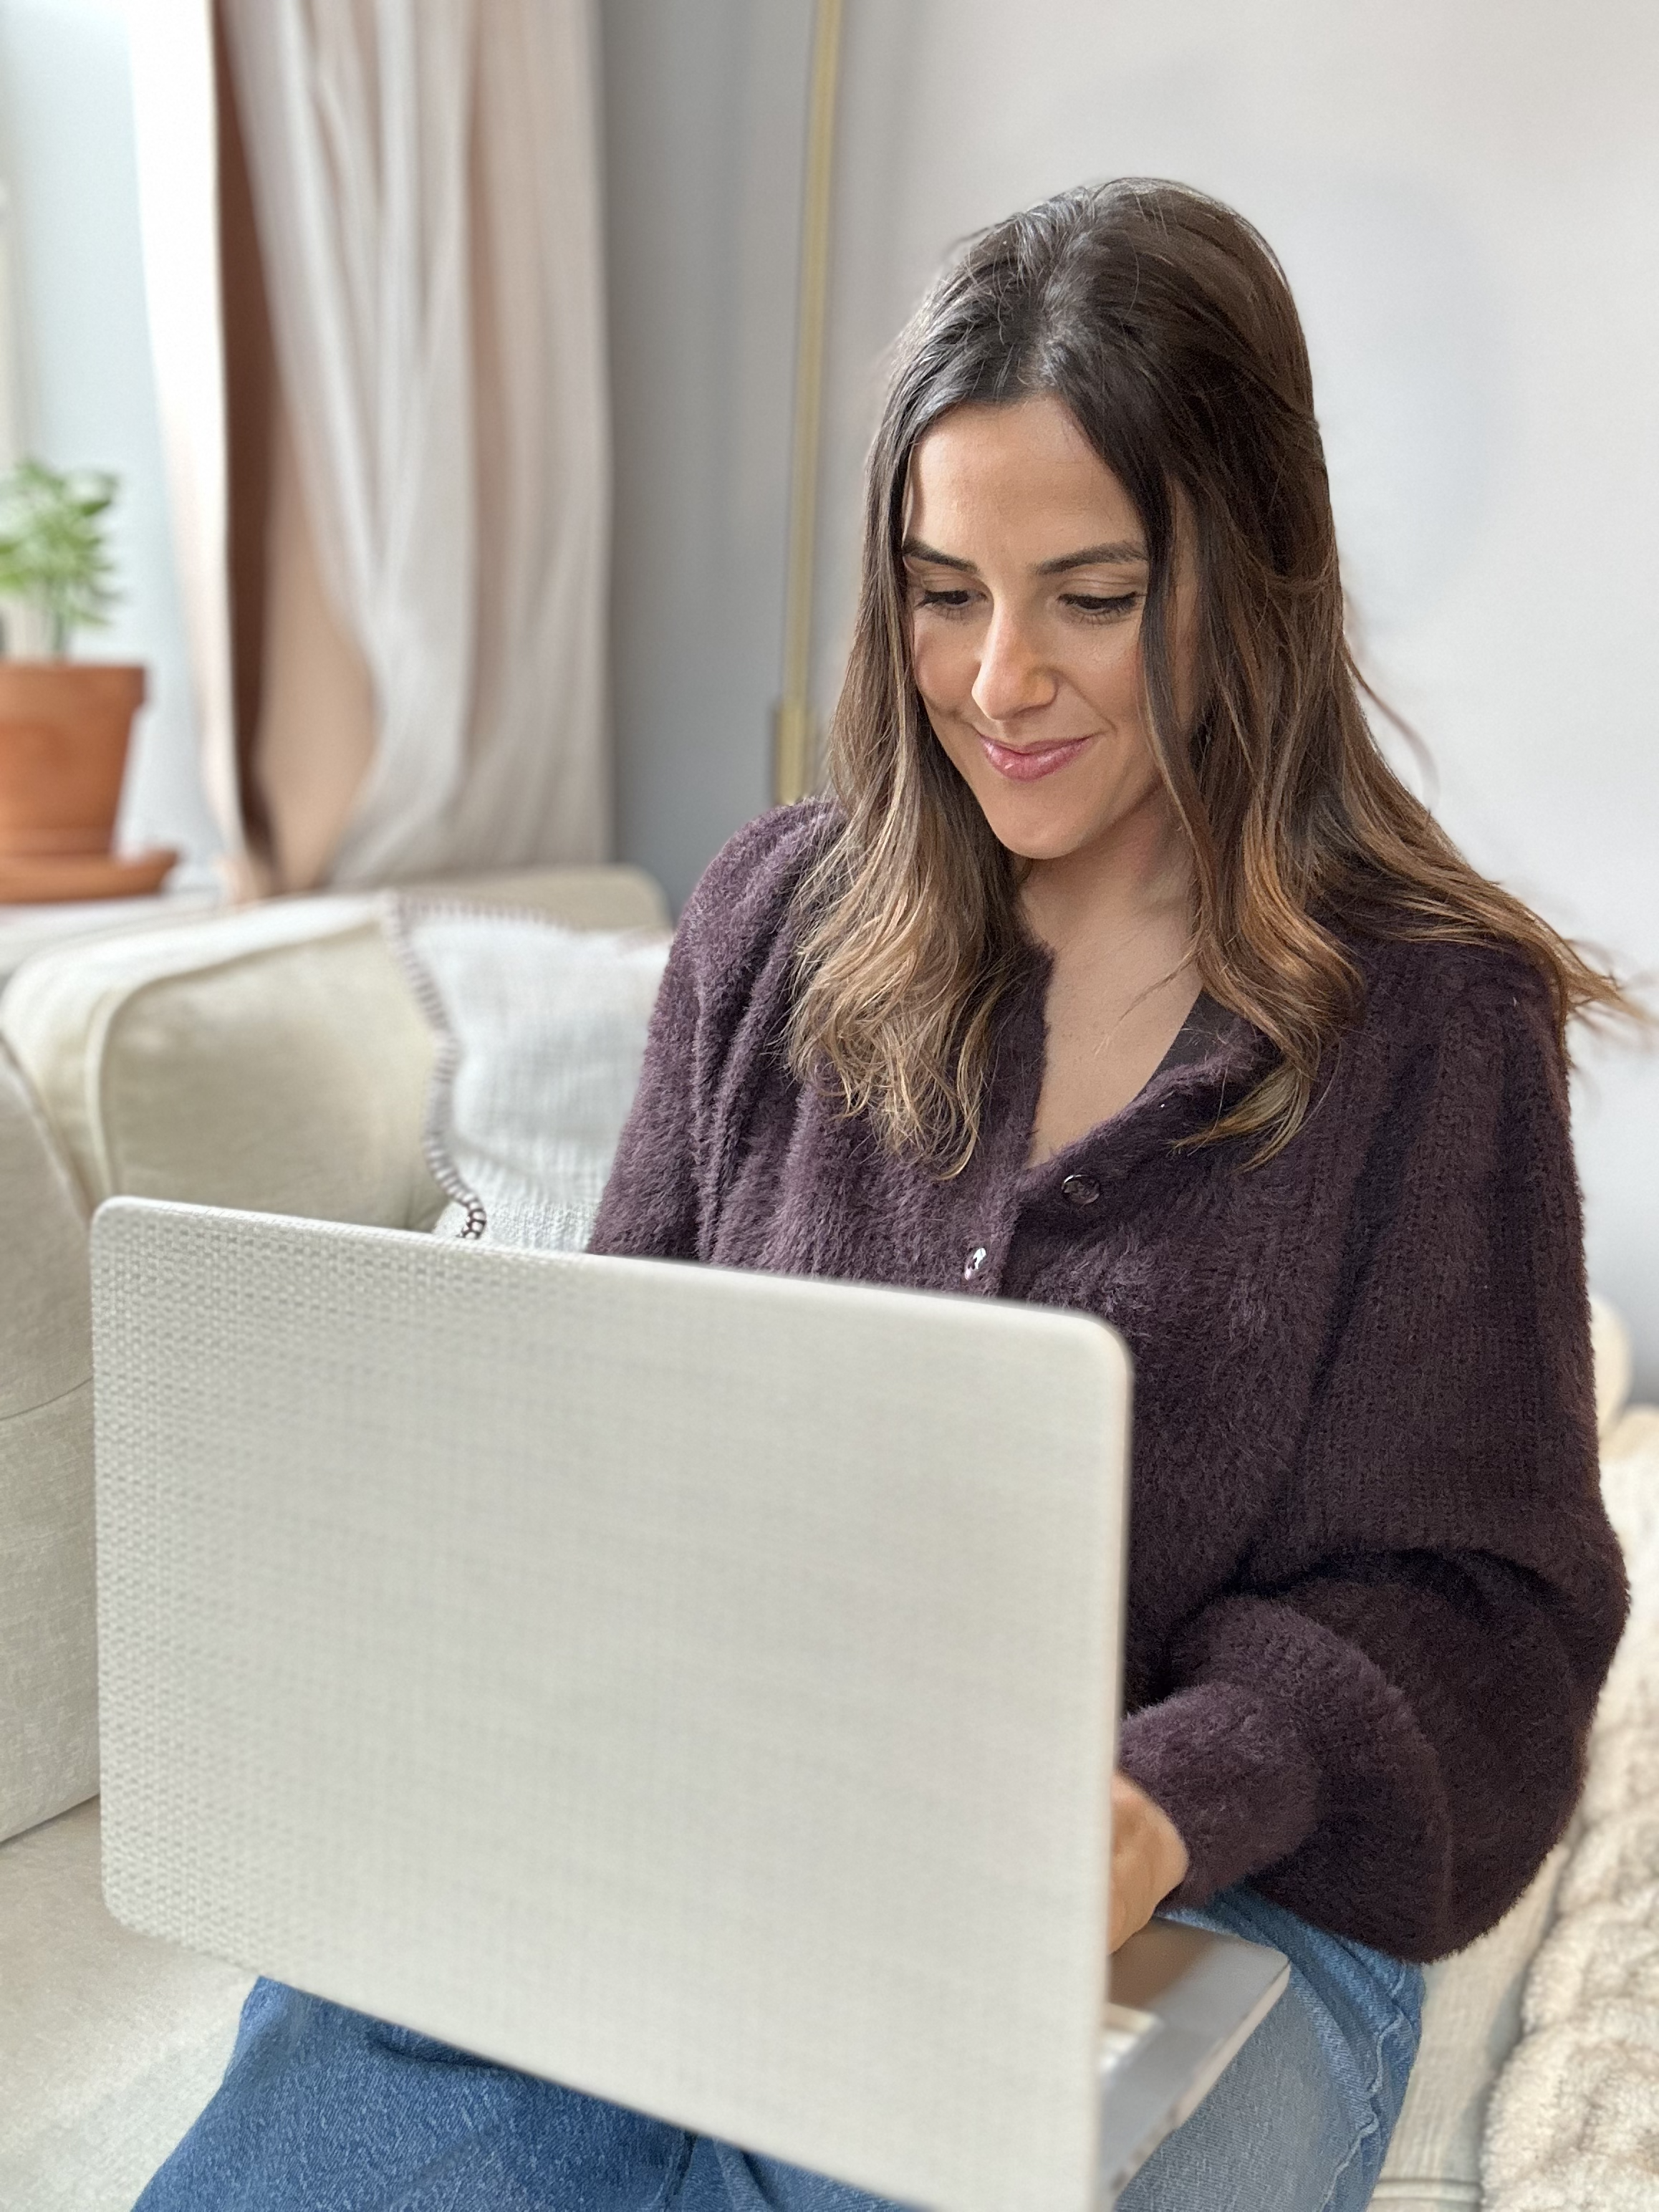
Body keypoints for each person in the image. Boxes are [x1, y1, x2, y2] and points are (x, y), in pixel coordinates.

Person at [138, 179, 1632, 2212]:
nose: (1000, 679)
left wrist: (1151, 1801)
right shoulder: (775, 919)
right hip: (720, 1823)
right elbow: (611, 1407)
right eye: (944, 591)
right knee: (361, 2104)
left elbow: (1481, 1615)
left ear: (1247, 575)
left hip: (1227, 1903)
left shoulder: (1428, 1027)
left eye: (1092, 595)